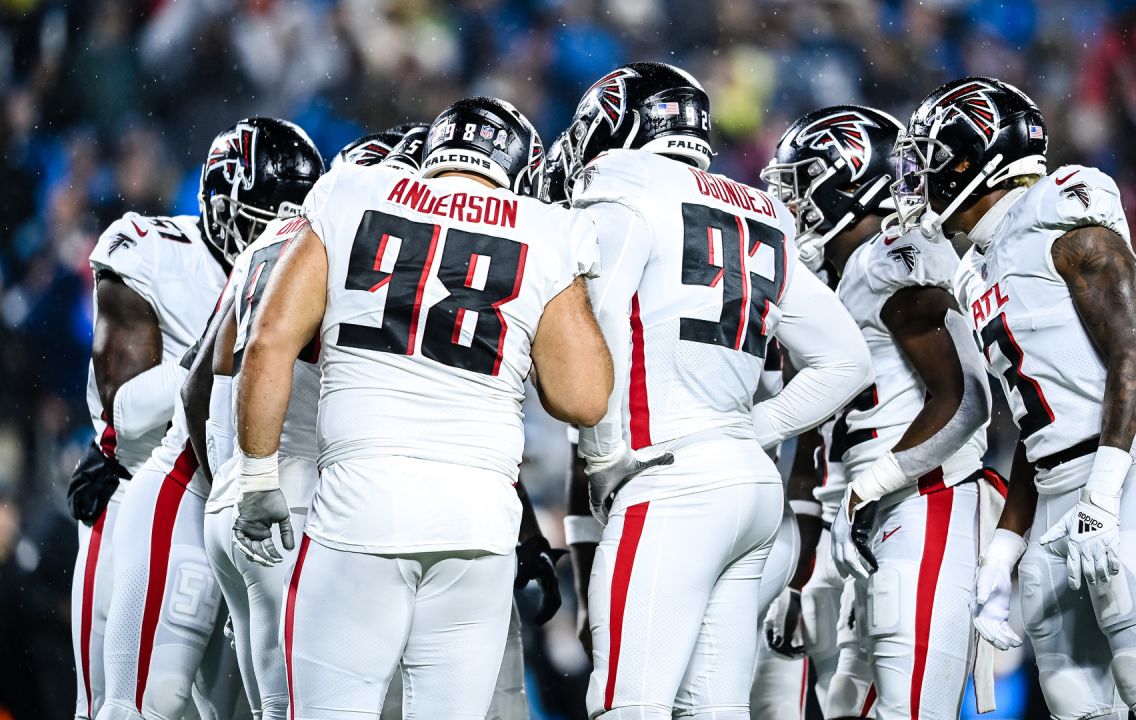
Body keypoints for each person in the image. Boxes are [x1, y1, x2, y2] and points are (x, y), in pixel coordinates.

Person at [231, 96, 610, 717]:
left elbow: (270, 338)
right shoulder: (545, 230)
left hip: (360, 508)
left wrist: (256, 477)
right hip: (476, 523)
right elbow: (584, 399)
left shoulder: (352, 191)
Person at [893, 76, 1136, 720]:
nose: (918, 182)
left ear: (972, 158)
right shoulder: (980, 266)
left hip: (1128, 474)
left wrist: (1101, 494)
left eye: (929, 160)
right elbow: (1038, 421)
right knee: (1075, 701)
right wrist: (1005, 546)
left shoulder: (1062, 216)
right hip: (1053, 489)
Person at [561, 61, 873, 719]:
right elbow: (846, 360)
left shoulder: (624, 182)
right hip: (750, 491)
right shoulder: (756, 206)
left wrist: (603, 448)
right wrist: (751, 431)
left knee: (630, 705)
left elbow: (606, 316)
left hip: (668, 478)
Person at [760, 104, 996, 720]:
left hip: (924, 504)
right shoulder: (824, 287)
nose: (792, 203)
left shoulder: (887, 261)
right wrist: (803, 576)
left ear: (848, 179)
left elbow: (967, 398)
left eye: (802, 182)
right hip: (863, 523)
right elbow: (812, 456)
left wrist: (871, 489)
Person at [96, 118, 325, 720]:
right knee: (136, 702)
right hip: (160, 486)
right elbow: (126, 408)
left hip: (257, 501)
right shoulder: (156, 251)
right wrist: (232, 373)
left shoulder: (324, 262)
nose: (281, 237)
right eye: (268, 220)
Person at [189, 128, 406, 720]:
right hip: (300, 502)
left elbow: (199, 385)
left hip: (236, 496)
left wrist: (231, 481)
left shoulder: (270, 238)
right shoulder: (357, 240)